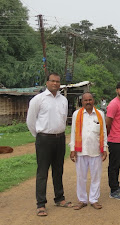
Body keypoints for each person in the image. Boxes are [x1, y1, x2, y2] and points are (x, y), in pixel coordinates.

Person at [27, 72, 72, 216]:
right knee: (42, 172)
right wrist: (40, 136)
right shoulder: (38, 99)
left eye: (58, 82)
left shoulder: (63, 100)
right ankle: (41, 204)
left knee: (58, 170)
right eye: (52, 81)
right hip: (44, 139)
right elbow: (30, 121)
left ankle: (59, 198)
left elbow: (64, 118)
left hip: (60, 139)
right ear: (47, 83)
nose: (55, 84)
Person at [69, 93, 108, 210]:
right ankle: (82, 200)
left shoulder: (100, 114)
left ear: (93, 101)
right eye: (85, 100)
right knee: (81, 177)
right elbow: (73, 132)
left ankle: (94, 199)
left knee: (96, 177)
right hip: (81, 151)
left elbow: (104, 132)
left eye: (90, 100)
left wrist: (105, 148)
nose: (88, 102)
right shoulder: (77, 114)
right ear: (82, 102)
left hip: (96, 150)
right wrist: (72, 149)